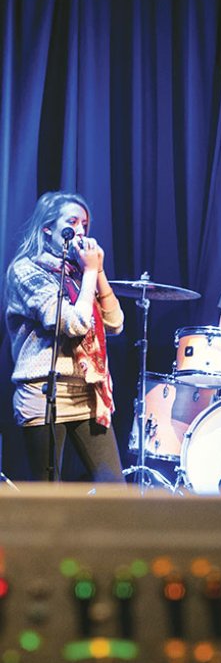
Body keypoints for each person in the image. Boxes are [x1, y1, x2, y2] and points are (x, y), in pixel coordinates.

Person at [4, 190, 125, 482]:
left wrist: (98, 273)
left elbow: (116, 322)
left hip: (87, 394)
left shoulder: (77, 272)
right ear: (48, 227)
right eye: (73, 222)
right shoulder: (26, 271)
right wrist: (89, 274)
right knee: (49, 496)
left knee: (115, 490)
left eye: (85, 223)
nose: (81, 231)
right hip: (43, 392)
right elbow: (72, 323)